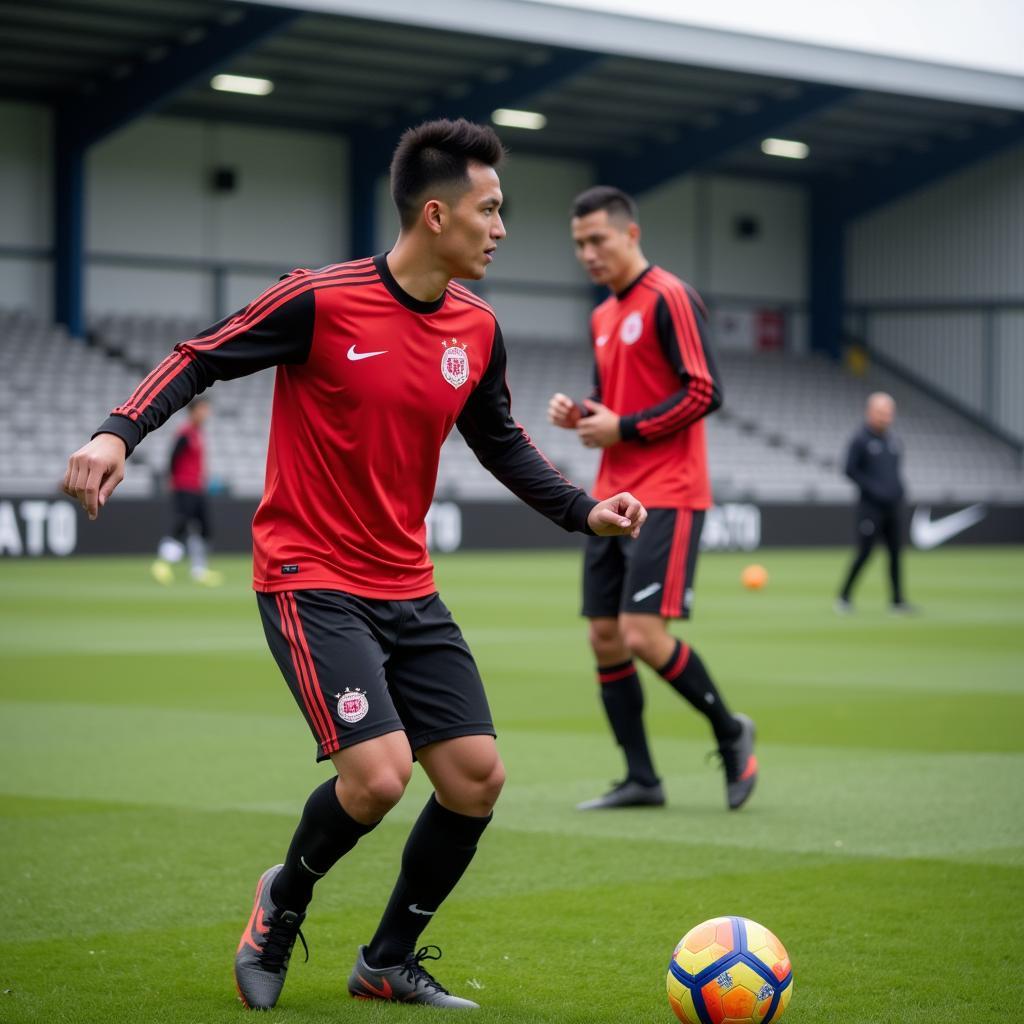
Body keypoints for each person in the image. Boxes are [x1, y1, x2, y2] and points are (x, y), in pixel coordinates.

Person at [63, 120, 646, 1012]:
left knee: (476, 778)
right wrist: (118, 431)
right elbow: (200, 356)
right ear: (437, 213)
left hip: (407, 584)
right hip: (309, 576)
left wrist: (583, 508)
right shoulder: (319, 299)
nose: (501, 228)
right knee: (379, 776)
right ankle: (281, 903)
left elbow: (500, 441)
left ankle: (386, 961)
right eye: (491, 210)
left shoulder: (478, 328)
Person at [547, 186, 757, 813]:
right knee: (605, 638)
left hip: (668, 490)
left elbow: (705, 391)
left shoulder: (670, 296)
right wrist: (584, 414)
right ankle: (643, 778)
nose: (588, 253)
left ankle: (730, 730)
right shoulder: (602, 316)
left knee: (641, 633)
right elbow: (613, 399)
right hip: (613, 495)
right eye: (579, 243)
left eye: (598, 240)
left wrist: (624, 428)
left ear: (630, 235)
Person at [836, 391, 912, 613]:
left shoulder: (894, 441)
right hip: (870, 508)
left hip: (893, 506)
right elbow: (849, 469)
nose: (884, 416)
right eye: (880, 412)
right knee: (865, 552)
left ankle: (897, 600)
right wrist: (874, 489)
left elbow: (895, 472)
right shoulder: (860, 439)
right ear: (870, 412)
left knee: (896, 553)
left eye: (888, 412)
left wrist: (899, 490)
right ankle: (844, 597)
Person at [150, 397, 223, 586]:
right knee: (182, 524)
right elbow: (173, 459)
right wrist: (173, 481)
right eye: (203, 409)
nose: (206, 413)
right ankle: (163, 564)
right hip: (184, 487)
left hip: (197, 487)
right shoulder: (185, 433)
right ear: (193, 411)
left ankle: (199, 570)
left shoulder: (198, 433)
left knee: (205, 527)